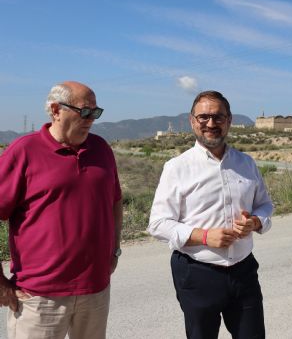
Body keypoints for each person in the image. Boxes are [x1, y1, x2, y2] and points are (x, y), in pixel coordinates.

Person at [0, 81, 123, 339]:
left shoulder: (101, 149)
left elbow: (114, 202)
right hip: (39, 296)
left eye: (96, 112)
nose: (91, 119)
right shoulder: (23, 151)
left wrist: (115, 250)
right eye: (85, 112)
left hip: (96, 290)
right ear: (56, 110)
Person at [148, 90, 273, 339]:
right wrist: (204, 236)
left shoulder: (246, 163)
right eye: (203, 117)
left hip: (243, 271)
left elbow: (265, 205)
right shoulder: (177, 167)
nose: (211, 124)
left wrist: (255, 222)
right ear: (192, 121)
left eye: (218, 117)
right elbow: (158, 224)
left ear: (229, 120)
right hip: (197, 274)